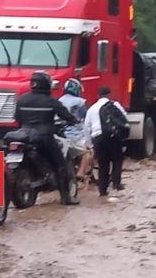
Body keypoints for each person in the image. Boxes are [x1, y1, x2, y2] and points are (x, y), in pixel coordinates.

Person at [14, 71, 80, 205]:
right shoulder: (51, 101)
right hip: (44, 137)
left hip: (24, 136)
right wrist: (75, 120)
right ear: (46, 84)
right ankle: (66, 198)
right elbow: (66, 116)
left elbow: (17, 118)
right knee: (60, 164)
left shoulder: (22, 99)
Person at [83, 86, 128, 196]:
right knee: (117, 160)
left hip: (98, 138)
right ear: (109, 95)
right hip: (113, 137)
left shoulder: (92, 108)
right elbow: (124, 119)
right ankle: (116, 184)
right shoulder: (115, 105)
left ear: (98, 96)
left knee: (103, 163)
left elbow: (86, 127)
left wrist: (89, 144)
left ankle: (102, 190)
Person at [58, 78, 94, 186]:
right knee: (88, 151)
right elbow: (85, 117)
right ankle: (81, 172)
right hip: (77, 134)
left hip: (61, 134)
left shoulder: (59, 100)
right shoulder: (80, 102)